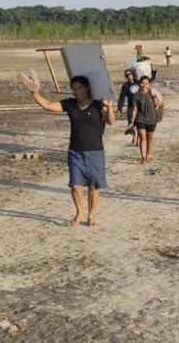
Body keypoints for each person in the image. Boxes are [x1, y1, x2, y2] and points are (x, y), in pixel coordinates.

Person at [18, 71, 114, 227]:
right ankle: (79, 212)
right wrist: (32, 90)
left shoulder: (98, 104)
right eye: (74, 89)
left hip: (95, 151)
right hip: (75, 151)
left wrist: (109, 107)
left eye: (80, 88)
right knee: (75, 185)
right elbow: (47, 105)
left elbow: (111, 121)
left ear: (87, 88)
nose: (77, 92)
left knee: (93, 186)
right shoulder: (70, 104)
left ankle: (91, 214)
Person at [128, 76, 162, 164]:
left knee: (149, 138)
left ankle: (148, 155)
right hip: (140, 119)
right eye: (143, 83)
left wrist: (154, 96)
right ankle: (143, 157)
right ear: (139, 84)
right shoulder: (136, 95)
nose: (144, 85)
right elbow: (135, 109)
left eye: (146, 84)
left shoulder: (151, 93)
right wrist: (132, 122)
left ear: (148, 84)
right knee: (143, 137)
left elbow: (157, 105)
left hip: (151, 119)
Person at [117, 68, 138, 146]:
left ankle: (136, 139)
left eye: (130, 74)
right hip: (131, 106)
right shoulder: (125, 86)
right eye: (127, 75)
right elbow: (122, 98)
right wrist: (119, 109)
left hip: (139, 106)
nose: (129, 76)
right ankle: (135, 138)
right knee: (131, 123)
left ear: (133, 74)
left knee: (139, 123)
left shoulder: (138, 83)